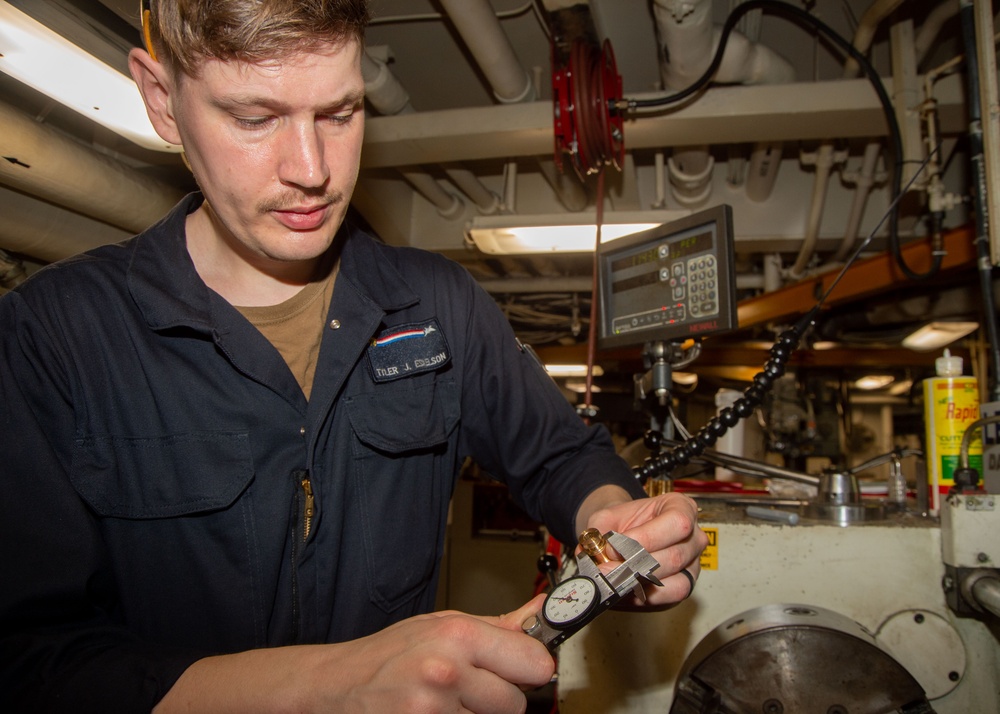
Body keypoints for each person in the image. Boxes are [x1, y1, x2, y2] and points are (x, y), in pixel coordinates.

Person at [0, 1, 707, 711]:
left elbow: (560, 456)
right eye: (254, 118)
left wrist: (614, 518)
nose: (311, 170)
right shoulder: (52, 337)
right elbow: (32, 658)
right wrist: (333, 685)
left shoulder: (437, 304)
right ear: (162, 100)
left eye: (340, 113)